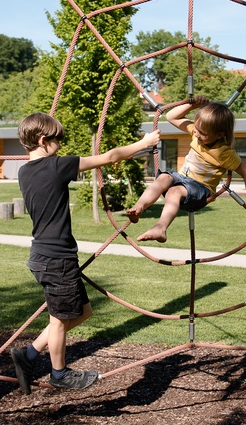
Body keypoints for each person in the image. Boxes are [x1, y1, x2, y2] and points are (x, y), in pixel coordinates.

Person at [11, 112, 160, 394]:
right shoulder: (56, 166)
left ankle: (28, 355)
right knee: (59, 320)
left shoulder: (24, 171)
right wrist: (144, 142)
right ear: (43, 140)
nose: (61, 145)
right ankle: (59, 374)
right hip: (56, 259)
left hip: (47, 257)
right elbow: (111, 157)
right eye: (57, 140)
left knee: (82, 313)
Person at [127, 96, 246, 243]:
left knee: (174, 191)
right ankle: (138, 208)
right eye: (196, 128)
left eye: (202, 133)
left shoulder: (224, 153)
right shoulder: (197, 134)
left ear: (220, 134)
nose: (196, 134)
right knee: (163, 178)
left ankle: (160, 228)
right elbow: (171, 117)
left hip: (201, 190)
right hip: (181, 179)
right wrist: (192, 106)